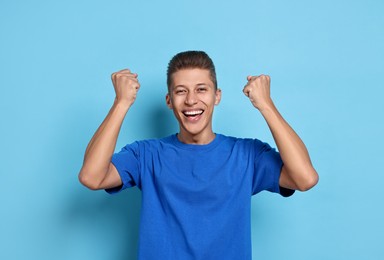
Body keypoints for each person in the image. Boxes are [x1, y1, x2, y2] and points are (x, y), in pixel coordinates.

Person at [79, 50, 318, 259]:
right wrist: (121, 103)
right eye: (181, 91)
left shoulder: (246, 155)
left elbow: (304, 178)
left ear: (217, 96)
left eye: (201, 89)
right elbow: (92, 177)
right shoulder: (146, 155)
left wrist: (266, 105)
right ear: (169, 101)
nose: (191, 100)